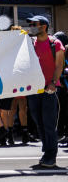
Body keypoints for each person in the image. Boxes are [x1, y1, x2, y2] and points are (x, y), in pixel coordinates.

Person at [24, 15, 64, 168]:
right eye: (31, 24)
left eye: (35, 24)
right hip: (34, 89)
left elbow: (59, 65)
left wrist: (53, 83)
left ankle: (51, 155)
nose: (32, 26)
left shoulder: (55, 43)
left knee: (48, 123)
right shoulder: (31, 43)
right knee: (39, 123)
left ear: (44, 26)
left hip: (49, 90)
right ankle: (46, 151)